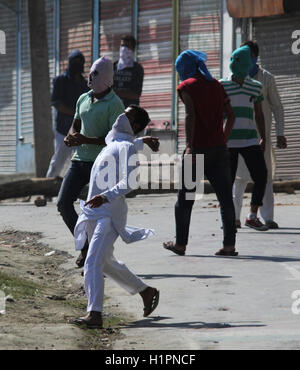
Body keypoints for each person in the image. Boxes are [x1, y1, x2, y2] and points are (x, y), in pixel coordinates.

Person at [57, 56, 159, 268]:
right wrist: (71, 136)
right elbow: (75, 125)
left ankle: (97, 257)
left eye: (95, 73)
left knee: (97, 212)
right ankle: (85, 247)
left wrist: (84, 139)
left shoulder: (115, 105)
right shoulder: (83, 98)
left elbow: (112, 138)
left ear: (104, 78)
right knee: (63, 203)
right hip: (79, 160)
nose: (90, 77)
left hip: (100, 164)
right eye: (90, 73)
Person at [72, 105, 159, 328]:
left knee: (92, 261)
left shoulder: (125, 146)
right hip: (93, 211)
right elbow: (122, 144)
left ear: (135, 125)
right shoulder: (116, 144)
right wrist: (143, 141)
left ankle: (95, 314)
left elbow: (129, 182)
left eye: (127, 115)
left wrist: (105, 196)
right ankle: (146, 291)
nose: (121, 115)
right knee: (106, 263)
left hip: (108, 215)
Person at [163, 50, 238, 257]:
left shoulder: (186, 87)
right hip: (220, 150)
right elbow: (231, 116)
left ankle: (180, 244)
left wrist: (189, 145)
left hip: (196, 150)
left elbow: (190, 115)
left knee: (185, 200)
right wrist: (223, 138)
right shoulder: (217, 85)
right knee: (225, 198)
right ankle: (229, 246)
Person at [232, 41, 287, 229]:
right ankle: (234, 218)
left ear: (255, 57)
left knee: (265, 177)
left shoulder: (266, 79)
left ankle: (267, 217)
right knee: (238, 179)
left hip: (261, 138)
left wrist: (280, 133)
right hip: (237, 138)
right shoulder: (230, 80)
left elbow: (277, 107)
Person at [220, 45, 268, 231]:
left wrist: (263, 137)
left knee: (261, 176)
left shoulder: (255, 86)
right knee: (227, 180)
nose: (234, 63)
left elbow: (259, 114)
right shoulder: (222, 85)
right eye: (233, 60)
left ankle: (252, 216)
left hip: (249, 139)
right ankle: (230, 219)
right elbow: (218, 114)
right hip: (228, 141)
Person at [46, 50, 89, 178]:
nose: (77, 65)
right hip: (63, 129)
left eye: (79, 62)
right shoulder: (60, 80)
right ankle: (46, 188)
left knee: (83, 162)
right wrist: (75, 113)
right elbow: (57, 104)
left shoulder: (85, 84)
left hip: (80, 130)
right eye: (74, 62)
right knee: (58, 161)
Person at [113, 35, 144, 107]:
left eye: (126, 46)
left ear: (133, 49)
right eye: (122, 45)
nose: (123, 48)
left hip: (129, 111)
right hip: (113, 110)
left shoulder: (137, 69)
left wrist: (116, 93)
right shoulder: (113, 66)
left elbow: (136, 95)